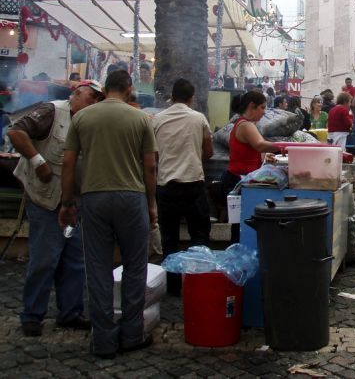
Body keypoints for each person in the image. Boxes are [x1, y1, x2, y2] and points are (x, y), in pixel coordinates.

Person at [59, 70, 157, 358]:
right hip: (131, 197)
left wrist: (67, 203)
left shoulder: (82, 118)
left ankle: (102, 340)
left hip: (94, 196)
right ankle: (131, 334)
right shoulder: (140, 118)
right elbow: (150, 167)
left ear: (105, 89)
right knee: (135, 266)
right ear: (128, 89)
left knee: (98, 268)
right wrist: (151, 204)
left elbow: (67, 163)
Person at [8, 80, 104, 337]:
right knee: (45, 258)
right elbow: (15, 131)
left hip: (73, 201)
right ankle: (32, 315)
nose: (94, 102)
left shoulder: (92, 121)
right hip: (45, 198)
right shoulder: (52, 111)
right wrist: (38, 161)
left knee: (75, 259)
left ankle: (70, 313)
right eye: (91, 97)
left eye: (98, 99)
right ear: (76, 94)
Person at [152, 79, 213, 297]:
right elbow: (209, 152)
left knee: (170, 238)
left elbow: (154, 155)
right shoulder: (198, 119)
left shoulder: (157, 120)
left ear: (172, 96)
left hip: (166, 186)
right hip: (193, 185)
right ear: (191, 98)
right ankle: (197, 282)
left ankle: (174, 287)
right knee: (199, 236)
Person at [221, 91, 280, 195]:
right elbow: (260, 145)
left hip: (238, 177)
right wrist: (283, 146)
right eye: (262, 107)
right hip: (239, 179)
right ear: (252, 105)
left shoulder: (244, 123)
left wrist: (265, 156)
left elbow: (253, 149)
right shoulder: (246, 125)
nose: (264, 112)